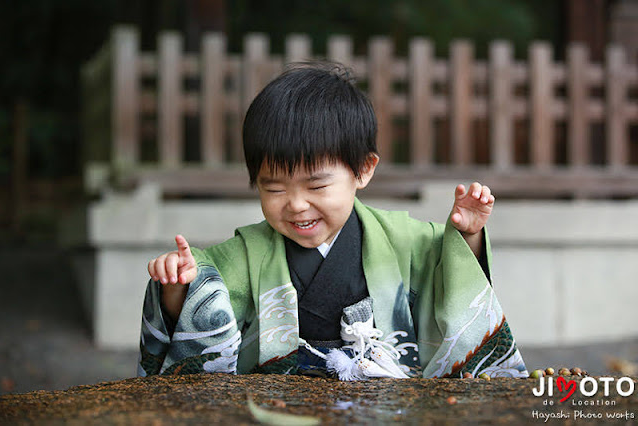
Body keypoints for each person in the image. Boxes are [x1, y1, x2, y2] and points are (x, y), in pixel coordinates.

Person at [138, 61, 528, 379]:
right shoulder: (245, 254)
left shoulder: (403, 239)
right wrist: (179, 286)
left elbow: (450, 272)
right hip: (276, 404)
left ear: (363, 169)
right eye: (273, 189)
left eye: (316, 185)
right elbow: (203, 300)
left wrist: (466, 236)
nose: (295, 205)